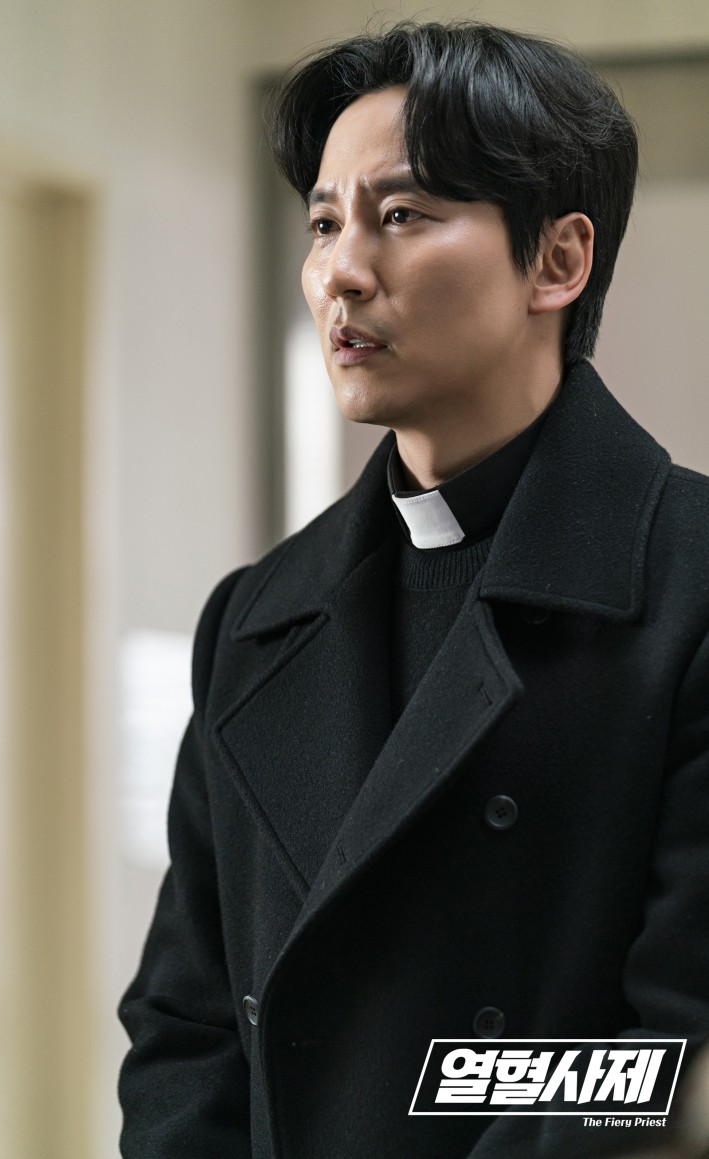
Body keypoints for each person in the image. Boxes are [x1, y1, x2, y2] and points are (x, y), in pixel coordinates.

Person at [118, 21, 709, 1159]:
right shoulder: (255, 616)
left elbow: (669, 1065)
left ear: (556, 261)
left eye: (400, 215)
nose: (341, 271)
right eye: (323, 223)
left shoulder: (687, 582)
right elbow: (186, 1026)